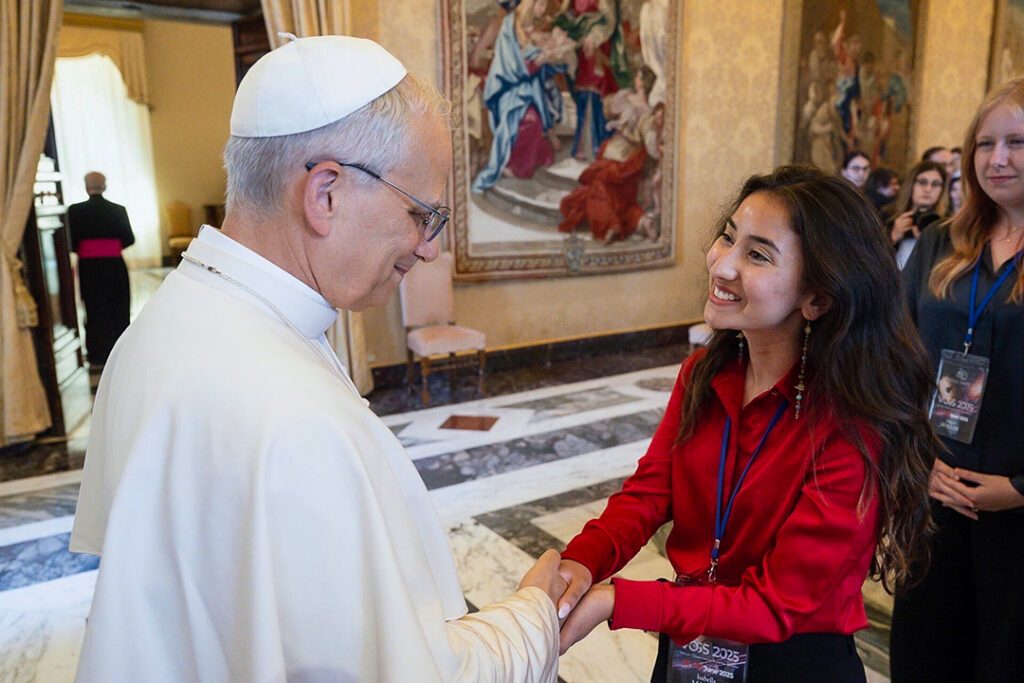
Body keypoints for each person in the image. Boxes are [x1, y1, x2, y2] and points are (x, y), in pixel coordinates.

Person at [70, 35, 566, 682]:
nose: (428, 250)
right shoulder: (297, 418)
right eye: (423, 216)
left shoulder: (158, 329)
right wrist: (536, 615)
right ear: (325, 192)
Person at [549, 166, 937, 682]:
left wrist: (614, 601)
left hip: (791, 661)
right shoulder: (705, 374)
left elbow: (775, 605)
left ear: (817, 298)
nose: (722, 264)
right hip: (690, 640)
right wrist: (578, 565)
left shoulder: (850, 423)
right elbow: (647, 494)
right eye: (728, 237)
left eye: (757, 255)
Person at [890, 77, 1024, 683]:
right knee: (926, 657)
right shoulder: (941, 242)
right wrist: (916, 459)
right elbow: (892, 358)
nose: (998, 159)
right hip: (933, 494)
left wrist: (1020, 488)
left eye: (1018, 143)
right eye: (985, 144)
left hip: (1018, 514)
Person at [66, 172, 135, 368]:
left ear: (85, 186)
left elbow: (70, 242)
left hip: (90, 268)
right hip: (114, 265)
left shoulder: (74, 211)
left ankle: (97, 353)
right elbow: (129, 239)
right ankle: (121, 350)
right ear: (105, 186)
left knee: (94, 307)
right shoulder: (118, 210)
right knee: (118, 306)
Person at [887, 160, 948, 269]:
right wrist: (894, 236)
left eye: (935, 184)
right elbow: (870, 261)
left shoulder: (946, 224)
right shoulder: (889, 217)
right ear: (911, 184)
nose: (928, 189)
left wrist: (927, 243)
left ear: (942, 190)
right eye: (922, 182)